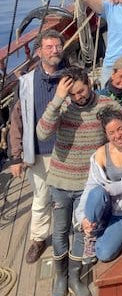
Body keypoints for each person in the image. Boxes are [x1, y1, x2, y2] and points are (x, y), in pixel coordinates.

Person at [36, 67, 121, 296]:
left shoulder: (105, 104)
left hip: (88, 183)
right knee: (61, 231)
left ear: (90, 83)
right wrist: (57, 100)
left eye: (81, 91)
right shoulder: (62, 106)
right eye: (72, 94)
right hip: (61, 182)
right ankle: (60, 278)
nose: (78, 97)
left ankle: (75, 277)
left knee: (83, 230)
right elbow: (42, 133)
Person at [8, 29, 66, 264]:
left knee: (70, 196)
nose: (55, 50)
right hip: (40, 152)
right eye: (49, 47)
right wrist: (16, 156)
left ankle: (74, 232)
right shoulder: (26, 83)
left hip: (67, 151)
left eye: (58, 46)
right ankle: (39, 238)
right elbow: (17, 121)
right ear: (39, 52)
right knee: (41, 198)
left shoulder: (71, 76)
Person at [76, 107, 122, 263]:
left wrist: (115, 188)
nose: (118, 135)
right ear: (106, 135)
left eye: (120, 129)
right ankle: (92, 233)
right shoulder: (100, 155)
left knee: (105, 253)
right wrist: (82, 218)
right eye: (111, 132)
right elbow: (89, 188)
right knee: (97, 192)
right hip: (115, 211)